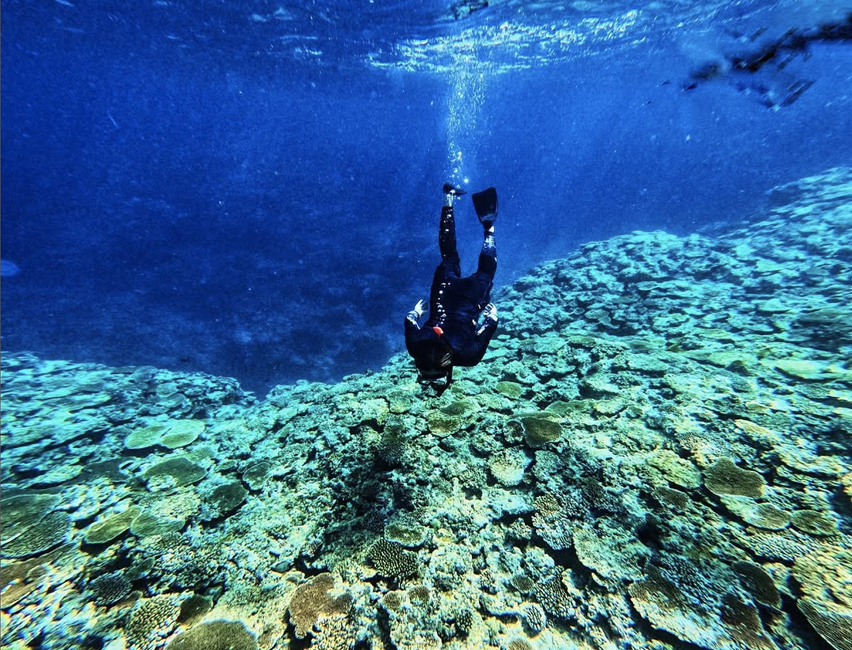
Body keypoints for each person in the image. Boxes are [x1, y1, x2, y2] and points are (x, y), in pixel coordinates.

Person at [405, 183, 499, 393]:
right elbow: (409, 320)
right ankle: (448, 198)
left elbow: (489, 327)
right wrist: (417, 312)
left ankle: (489, 229)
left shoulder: (468, 357)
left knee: (487, 271)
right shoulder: (415, 347)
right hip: (443, 295)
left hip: (470, 301)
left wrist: (492, 316)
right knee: (449, 255)